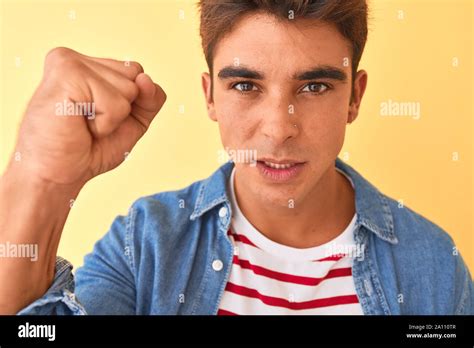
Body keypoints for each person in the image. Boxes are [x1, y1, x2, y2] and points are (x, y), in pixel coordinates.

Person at [0, 0, 472, 315]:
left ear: (355, 97)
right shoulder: (144, 245)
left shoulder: (433, 263)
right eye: (245, 86)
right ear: (210, 96)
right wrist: (40, 182)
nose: (278, 128)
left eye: (314, 86)